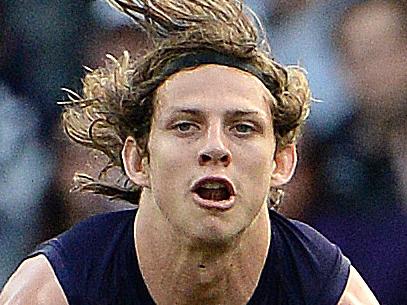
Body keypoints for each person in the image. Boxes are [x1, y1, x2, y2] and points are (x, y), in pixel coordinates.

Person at [0, 1, 379, 304]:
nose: (215, 147)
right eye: (186, 126)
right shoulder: (52, 292)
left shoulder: (331, 295)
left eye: (242, 128)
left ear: (282, 162)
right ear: (137, 160)